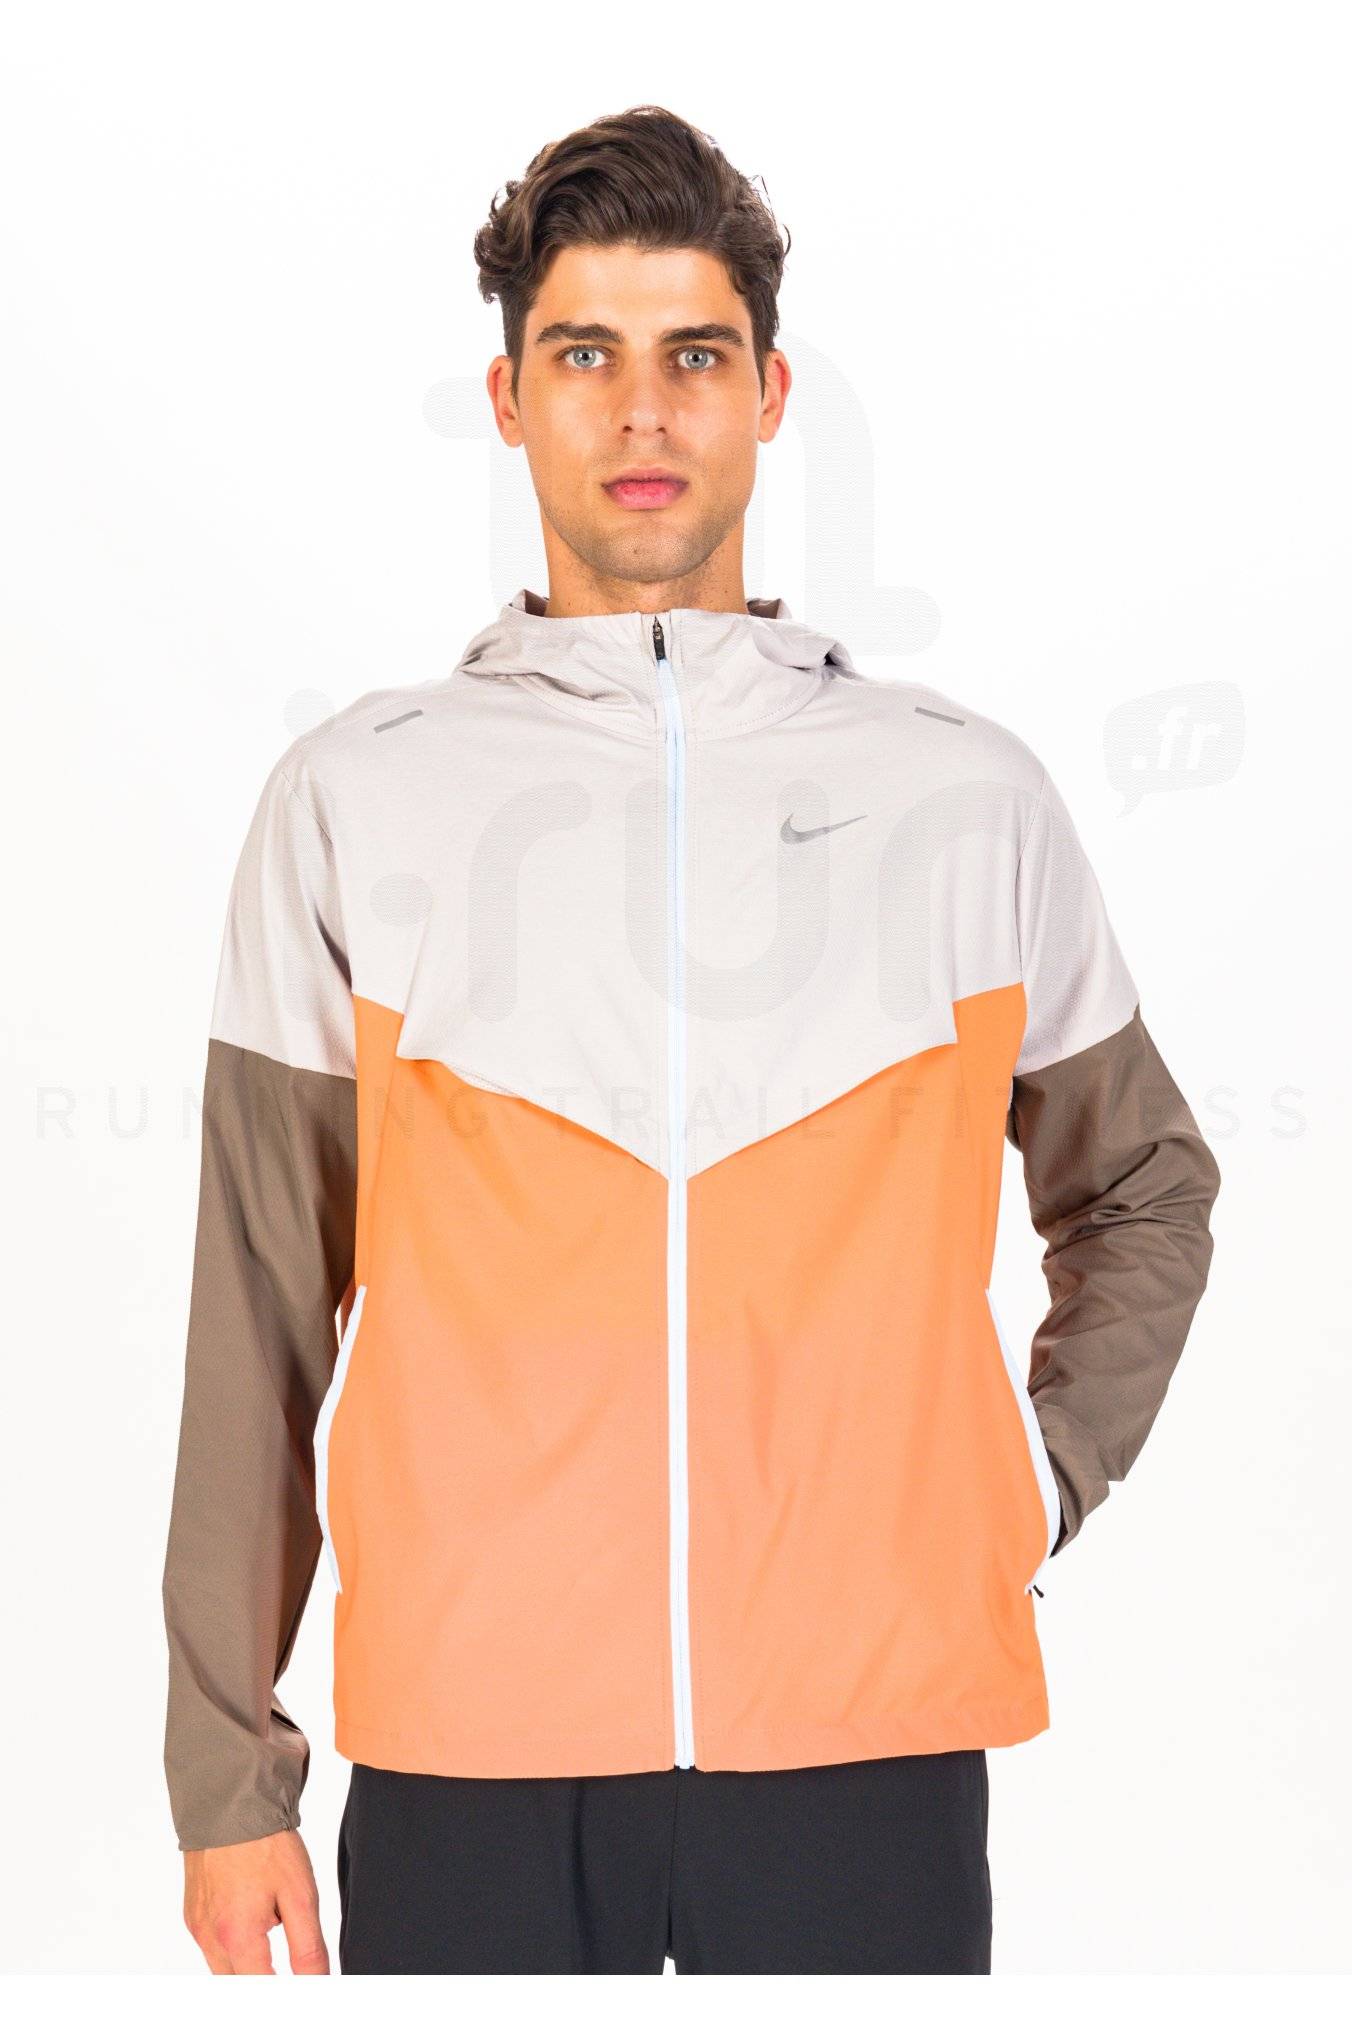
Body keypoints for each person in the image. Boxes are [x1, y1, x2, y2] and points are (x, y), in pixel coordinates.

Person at [161, 103, 1222, 1975]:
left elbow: (1143, 1182)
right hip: (469, 1748)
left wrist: (1022, 1482)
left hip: (869, 1738)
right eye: (586, 356)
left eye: (695, 357)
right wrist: (223, 1771)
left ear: (769, 393)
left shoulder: (960, 796)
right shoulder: (358, 797)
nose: (642, 413)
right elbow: (259, 1303)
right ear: (509, 400)